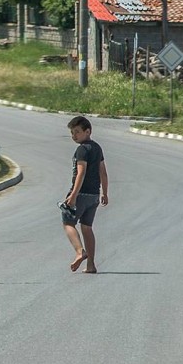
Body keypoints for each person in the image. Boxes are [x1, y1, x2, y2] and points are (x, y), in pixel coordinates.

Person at [62, 115, 109, 274]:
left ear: (87, 131)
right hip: (94, 194)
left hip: (81, 193)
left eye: (77, 132)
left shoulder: (82, 149)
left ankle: (79, 251)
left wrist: (73, 195)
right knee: (87, 227)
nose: (74, 136)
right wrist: (105, 193)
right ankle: (91, 265)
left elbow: (81, 173)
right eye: (72, 133)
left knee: (68, 222)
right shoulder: (97, 148)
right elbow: (103, 172)